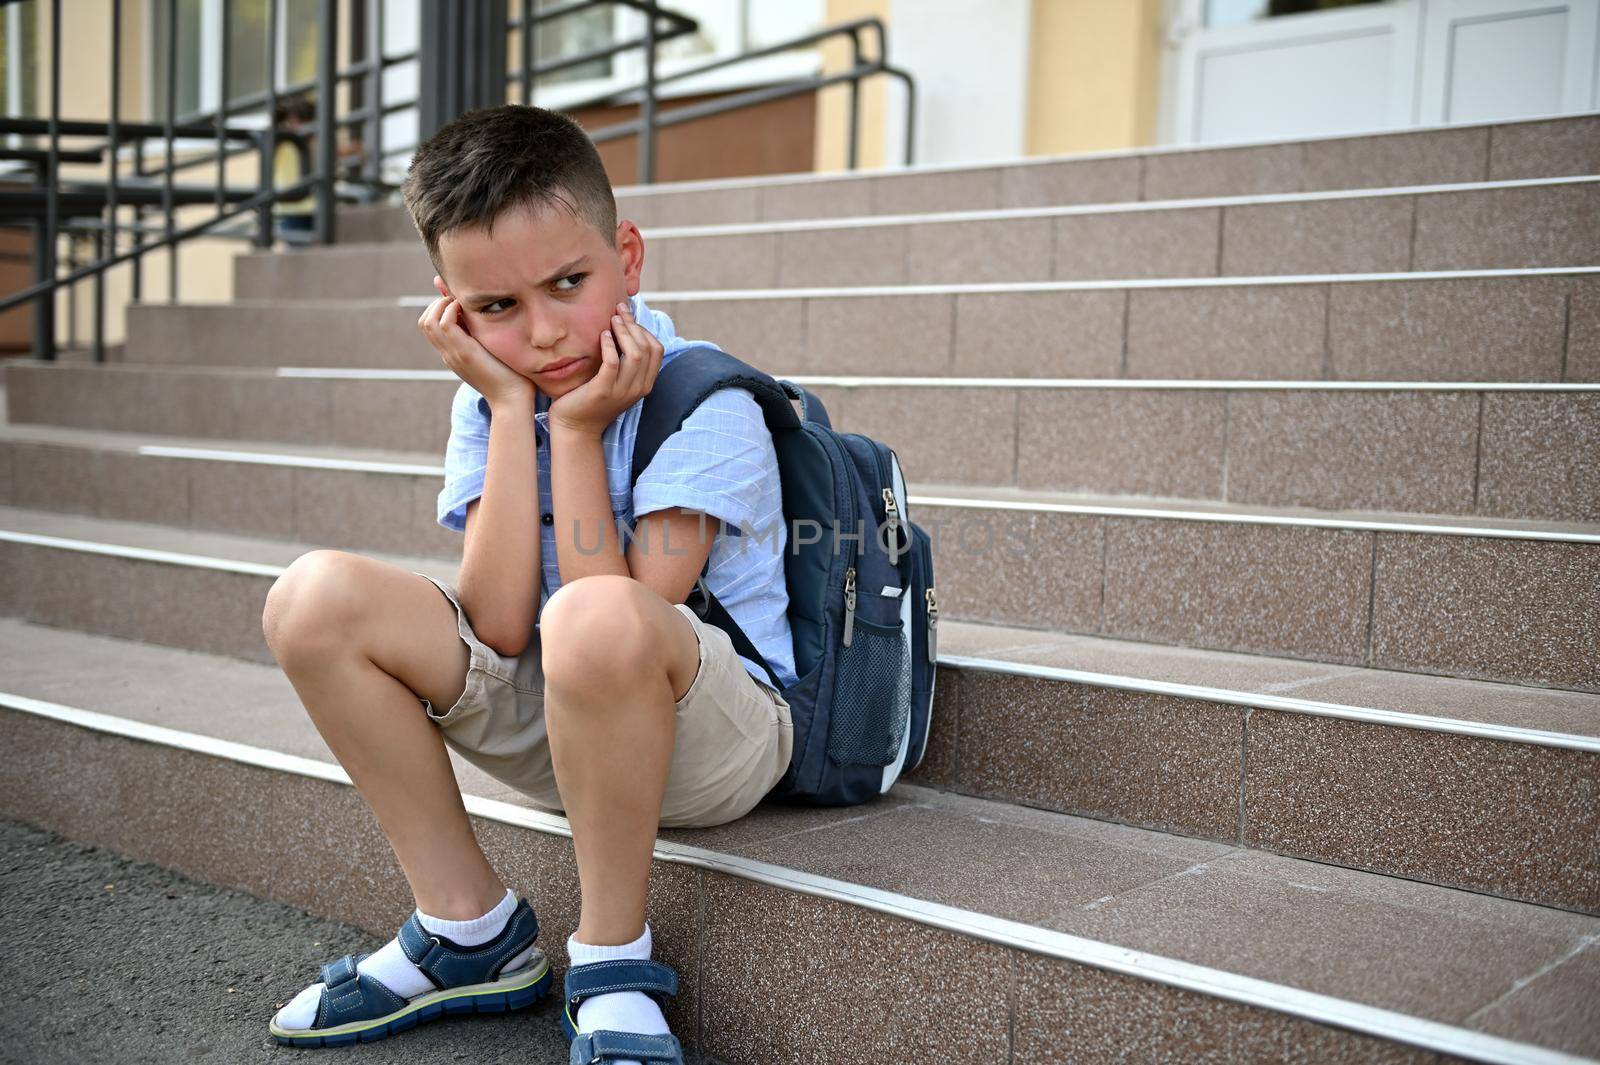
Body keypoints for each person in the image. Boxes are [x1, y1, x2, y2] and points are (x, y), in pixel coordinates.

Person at [261, 104, 797, 1065]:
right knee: (312, 599)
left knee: (592, 614)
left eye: (568, 283)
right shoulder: (494, 392)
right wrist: (514, 412)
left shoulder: (708, 402)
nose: (545, 335)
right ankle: (470, 931)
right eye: (498, 308)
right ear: (453, 307)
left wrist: (583, 432)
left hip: (717, 737)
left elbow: (619, 612)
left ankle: (612, 960)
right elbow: (501, 626)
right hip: (571, 716)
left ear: (627, 257)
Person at [271, 95, 316, 246]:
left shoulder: (314, 141)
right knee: (298, 253)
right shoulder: (283, 141)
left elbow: (335, 152)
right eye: (296, 121)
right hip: (291, 208)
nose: (300, 126)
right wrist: (279, 118)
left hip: (314, 207)